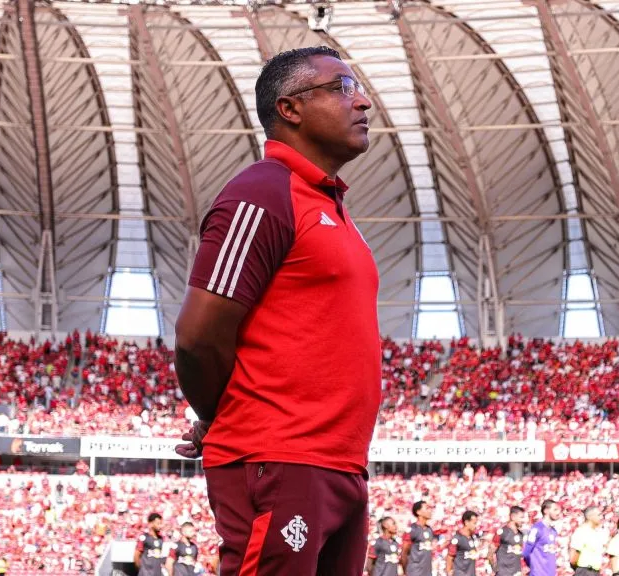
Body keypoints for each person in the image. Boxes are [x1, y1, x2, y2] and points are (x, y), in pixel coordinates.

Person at [173, 45, 379, 575]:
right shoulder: (263, 193)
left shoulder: (331, 206)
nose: (363, 103)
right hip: (281, 459)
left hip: (339, 465)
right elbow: (198, 337)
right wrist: (223, 416)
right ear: (290, 108)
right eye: (343, 88)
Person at [524, 499, 562, 576]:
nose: (558, 513)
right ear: (546, 511)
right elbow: (526, 553)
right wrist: (534, 568)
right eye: (555, 509)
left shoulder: (553, 531)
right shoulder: (536, 529)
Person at [570, 506, 609, 575]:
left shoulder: (596, 533)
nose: (601, 517)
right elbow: (574, 557)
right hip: (585, 571)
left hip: (595, 571)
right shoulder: (581, 531)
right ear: (590, 516)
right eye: (599, 515)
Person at [402, 501, 436, 576]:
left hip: (427, 573)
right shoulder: (412, 530)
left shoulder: (429, 529)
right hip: (414, 572)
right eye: (427, 508)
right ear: (418, 512)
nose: (430, 511)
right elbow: (404, 553)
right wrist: (405, 572)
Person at [490, 506, 525, 576]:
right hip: (504, 573)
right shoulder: (502, 532)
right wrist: (495, 569)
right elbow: (490, 553)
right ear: (513, 517)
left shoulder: (521, 534)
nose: (523, 520)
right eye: (521, 517)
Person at [448, 511, 482, 576]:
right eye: (474, 523)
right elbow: (450, 556)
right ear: (466, 522)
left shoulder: (473, 537)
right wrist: (449, 571)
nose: (476, 525)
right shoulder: (457, 538)